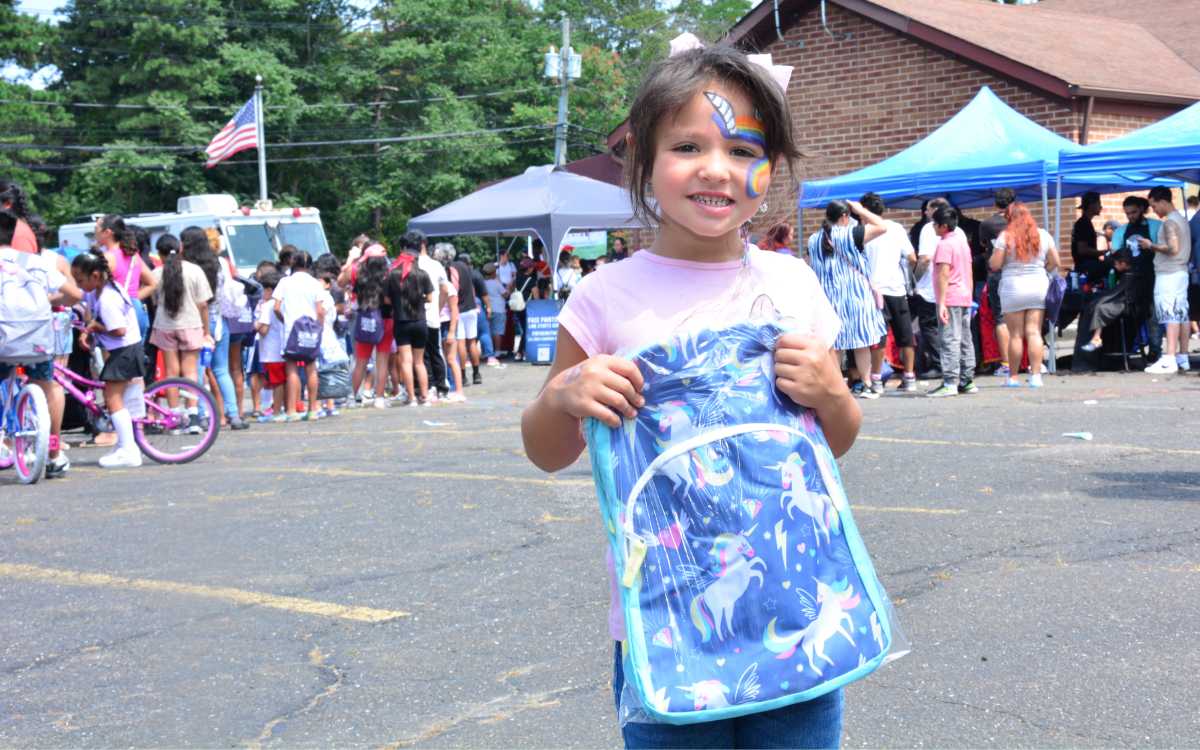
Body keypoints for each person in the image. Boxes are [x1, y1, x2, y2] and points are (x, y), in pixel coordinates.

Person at [522, 43, 854, 749]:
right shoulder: (603, 296)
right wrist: (563, 397)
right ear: (642, 159)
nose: (716, 168)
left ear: (771, 168)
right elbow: (546, 452)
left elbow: (837, 441)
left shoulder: (791, 285)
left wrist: (832, 393)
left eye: (742, 149)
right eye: (687, 145)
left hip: (793, 618)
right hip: (666, 626)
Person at [0, 210, 82, 478]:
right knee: (48, 386)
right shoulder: (32, 261)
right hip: (37, 338)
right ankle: (54, 453)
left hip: (3, 340)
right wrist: (47, 301)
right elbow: (74, 295)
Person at [71, 251, 147, 468]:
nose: (78, 284)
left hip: (125, 350)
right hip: (124, 350)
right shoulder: (101, 290)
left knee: (113, 399)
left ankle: (128, 450)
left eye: (80, 280)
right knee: (118, 398)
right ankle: (125, 443)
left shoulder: (107, 299)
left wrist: (95, 327)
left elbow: (119, 330)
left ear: (95, 276)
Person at [805, 200, 887, 397]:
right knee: (861, 343)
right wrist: (861, 210)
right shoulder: (851, 234)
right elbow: (881, 226)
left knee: (835, 344)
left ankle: (837, 386)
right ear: (844, 217)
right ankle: (867, 384)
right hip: (856, 298)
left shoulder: (813, 239)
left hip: (829, 299)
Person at [989, 202, 1059, 388]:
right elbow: (1055, 262)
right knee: (1034, 331)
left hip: (1013, 287)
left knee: (1016, 335)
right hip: (1037, 286)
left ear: (1009, 218)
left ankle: (1012, 377)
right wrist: (1043, 270)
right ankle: (1036, 376)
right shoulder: (1043, 235)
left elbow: (995, 265)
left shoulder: (1005, 236)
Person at [149, 233, 213, 434]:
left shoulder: (156, 274)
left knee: (171, 373)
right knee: (191, 372)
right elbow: (203, 304)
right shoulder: (194, 271)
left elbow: (154, 301)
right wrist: (206, 331)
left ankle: (174, 416)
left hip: (165, 325)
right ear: (181, 249)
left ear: (159, 254)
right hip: (191, 324)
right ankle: (193, 416)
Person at [860, 192, 917, 394]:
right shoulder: (896, 228)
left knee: (878, 338)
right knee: (905, 336)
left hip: (873, 292)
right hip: (897, 289)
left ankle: (875, 380)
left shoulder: (861, 232)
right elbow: (911, 257)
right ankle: (909, 377)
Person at [1140, 186, 1192, 374]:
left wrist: (1150, 245)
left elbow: (1173, 248)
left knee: (1169, 313)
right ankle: (1182, 356)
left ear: (1162, 201)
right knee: (1182, 314)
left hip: (1169, 273)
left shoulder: (1169, 223)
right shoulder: (1182, 219)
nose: (1154, 210)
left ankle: (1169, 358)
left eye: (1154, 205)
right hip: (1181, 271)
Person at [913, 197, 965, 379]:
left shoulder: (929, 229)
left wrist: (914, 280)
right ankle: (960, 369)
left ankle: (940, 364)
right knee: (958, 332)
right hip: (958, 287)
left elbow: (925, 258)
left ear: (935, 210)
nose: (925, 213)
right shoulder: (958, 231)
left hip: (931, 287)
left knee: (932, 328)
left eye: (928, 209)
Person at [928, 205, 977, 397]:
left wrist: (941, 303)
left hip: (951, 297)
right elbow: (969, 272)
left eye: (935, 224)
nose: (933, 227)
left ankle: (950, 381)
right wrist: (970, 296)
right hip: (964, 295)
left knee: (949, 339)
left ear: (943, 226)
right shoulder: (962, 243)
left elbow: (943, 275)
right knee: (965, 339)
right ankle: (967, 380)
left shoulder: (944, 245)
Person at [273, 250, 327, 420]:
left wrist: (284, 319)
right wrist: (319, 328)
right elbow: (320, 310)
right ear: (309, 265)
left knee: (292, 369)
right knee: (311, 368)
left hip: (291, 329)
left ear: (292, 264)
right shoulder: (314, 283)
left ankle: (291, 410)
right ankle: (313, 409)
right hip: (311, 329)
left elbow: (276, 307)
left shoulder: (285, 282)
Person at [1111, 196, 1163, 365]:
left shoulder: (1156, 226)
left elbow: (1163, 250)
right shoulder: (1120, 231)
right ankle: (1129, 348)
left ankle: (1155, 350)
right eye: (1127, 214)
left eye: (1133, 212)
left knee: (1153, 314)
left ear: (1141, 209)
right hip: (1130, 279)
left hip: (1152, 275)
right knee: (1132, 314)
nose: (1131, 216)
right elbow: (1116, 255)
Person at [385, 247, 434, 406]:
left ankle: (411, 397)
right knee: (419, 362)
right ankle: (425, 396)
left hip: (401, 321)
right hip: (420, 321)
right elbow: (430, 298)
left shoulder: (392, 275)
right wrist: (419, 299)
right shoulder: (422, 274)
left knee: (406, 361)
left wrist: (398, 302)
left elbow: (386, 300)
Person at [96, 215, 156, 338]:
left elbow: (97, 289)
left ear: (107, 233)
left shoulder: (107, 258)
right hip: (136, 309)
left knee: (115, 355)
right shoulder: (133, 255)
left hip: (116, 314)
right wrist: (132, 297)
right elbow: (153, 283)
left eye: (96, 229)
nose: (94, 234)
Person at [408, 231, 451, 402]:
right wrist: (438, 308)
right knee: (435, 352)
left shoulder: (410, 264)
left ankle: (428, 387)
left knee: (421, 355)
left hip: (415, 315)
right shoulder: (436, 265)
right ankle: (441, 388)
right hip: (433, 315)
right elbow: (446, 290)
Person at [978, 189, 1014, 378]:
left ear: (995, 204)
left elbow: (984, 246)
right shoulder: (1019, 223)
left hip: (996, 274)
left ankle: (1007, 363)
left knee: (1000, 318)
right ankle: (1032, 362)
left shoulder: (987, 224)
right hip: (1017, 272)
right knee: (1024, 317)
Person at [1077, 249, 1139, 355]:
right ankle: (1096, 338)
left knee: (1101, 307)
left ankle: (1096, 339)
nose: (1114, 266)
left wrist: (1102, 300)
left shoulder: (1130, 275)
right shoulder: (1126, 273)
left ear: (1123, 263)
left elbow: (1118, 293)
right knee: (1099, 304)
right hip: (1122, 301)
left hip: (1129, 305)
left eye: (1115, 263)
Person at [351, 254, 393, 408]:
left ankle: (352, 396)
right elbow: (389, 300)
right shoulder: (387, 280)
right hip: (386, 320)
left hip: (366, 320)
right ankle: (379, 398)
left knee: (360, 361)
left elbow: (355, 300)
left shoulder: (361, 280)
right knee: (382, 361)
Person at [253, 271, 287, 422]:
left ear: (269, 290)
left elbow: (264, 330)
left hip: (271, 351)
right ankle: (284, 407)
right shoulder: (282, 303)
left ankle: (277, 410)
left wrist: (255, 325)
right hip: (282, 348)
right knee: (282, 380)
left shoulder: (268, 305)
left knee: (277, 382)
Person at [433, 243, 465, 402]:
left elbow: (455, 311)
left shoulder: (450, 288)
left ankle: (459, 390)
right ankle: (451, 387)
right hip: (441, 324)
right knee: (445, 358)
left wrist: (452, 331)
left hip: (448, 325)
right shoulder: (440, 288)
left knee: (452, 358)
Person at [454, 252, 486, 385]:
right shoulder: (471, 272)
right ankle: (476, 373)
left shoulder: (453, 269)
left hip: (459, 310)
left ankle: (463, 376)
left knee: (461, 343)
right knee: (472, 342)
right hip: (471, 309)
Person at [1072, 191, 1107, 282]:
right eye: (1099, 203)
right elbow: (1082, 249)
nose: (1101, 207)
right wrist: (1103, 253)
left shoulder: (1084, 223)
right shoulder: (1083, 224)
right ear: (1091, 205)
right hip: (1086, 267)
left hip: (1085, 266)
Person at [483, 262, 507, 362]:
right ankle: (497, 351)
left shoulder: (483, 283)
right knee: (497, 331)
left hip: (487, 309)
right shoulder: (497, 283)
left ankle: (488, 351)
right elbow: (505, 294)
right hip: (499, 309)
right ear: (494, 273)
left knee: (488, 331)